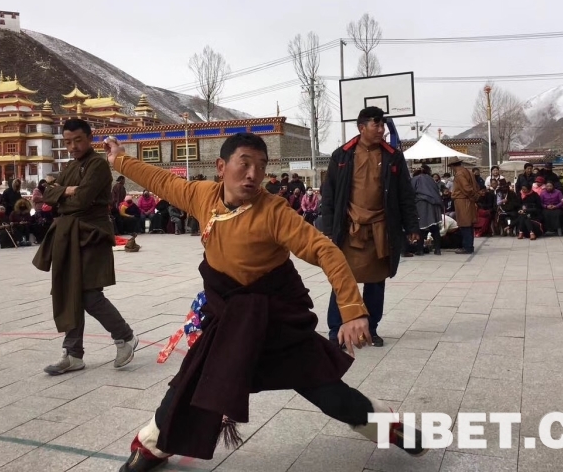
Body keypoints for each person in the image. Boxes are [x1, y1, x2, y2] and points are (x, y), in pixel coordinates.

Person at [103, 132, 428, 471]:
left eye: (260, 166)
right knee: (190, 383)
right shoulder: (201, 195)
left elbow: (324, 250)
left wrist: (352, 310)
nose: (253, 175)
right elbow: (160, 180)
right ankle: (152, 447)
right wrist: (120, 160)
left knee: (328, 393)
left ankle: (390, 427)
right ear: (221, 167)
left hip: (274, 323)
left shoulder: (274, 211)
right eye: (244, 164)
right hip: (228, 320)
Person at [32, 118, 140, 376]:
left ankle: (125, 337)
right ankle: (73, 353)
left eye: (78, 140)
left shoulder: (97, 165)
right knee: (69, 291)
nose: (73, 146)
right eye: (68, 142)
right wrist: (66, 191)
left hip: (91, 234)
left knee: (89, 293)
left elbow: (81, 200)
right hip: (68, 235)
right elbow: (45, 194)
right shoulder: (71, 166)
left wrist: (63, 193)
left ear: (90, 138)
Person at [321, 107, 420, 347]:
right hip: (350, 229)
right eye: (376, 125)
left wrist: (412, 226)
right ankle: (336, 331)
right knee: (343, 280)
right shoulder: (342, 156)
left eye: (382, 125)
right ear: (361, 127)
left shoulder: (393, 156)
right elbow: (329, 194)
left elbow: (405, 194)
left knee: (376, 282)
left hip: (380, 230)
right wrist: (329, 229)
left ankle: (371, 329)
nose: (381, 130)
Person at [411, 165, 443, 255]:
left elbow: (411, 191)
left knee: (421, 227)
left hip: (421, 203)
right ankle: (437, 249)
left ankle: (420, 250)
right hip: (434, 204)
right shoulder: (431, 179)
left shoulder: (415, 179)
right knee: (434, 226)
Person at [448, 158, 478, 253]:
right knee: (469, 225)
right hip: (467, 200)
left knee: (465, 224)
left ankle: (467, 247)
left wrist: (472, 196)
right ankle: (469, 246)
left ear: (452, 166)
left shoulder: (459, 174)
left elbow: (467, 188)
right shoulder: (468, 171)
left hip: (463, 200)